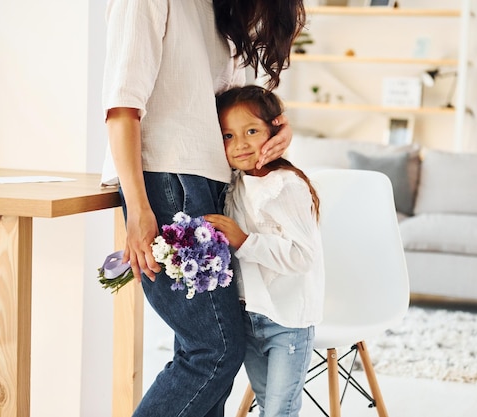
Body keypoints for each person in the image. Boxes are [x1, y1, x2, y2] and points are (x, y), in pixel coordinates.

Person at [101, 0, 306, 416]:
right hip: (167, 181)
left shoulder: (225, 8)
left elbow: (234, 103)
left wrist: (281, 124)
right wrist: (139, 209)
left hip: (216, 185)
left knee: (207, 352)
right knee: (213, 351)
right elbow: (122, 105)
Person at [205, 85, 325, 417]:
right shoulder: (236, 184)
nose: (240, 144)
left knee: (279, 411)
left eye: (251, 131)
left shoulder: (285, 186)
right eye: (228, 136)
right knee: (266, 401)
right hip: (247, 316)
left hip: (287, 321)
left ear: (274, 131)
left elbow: (303, 256)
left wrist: (244, 241)